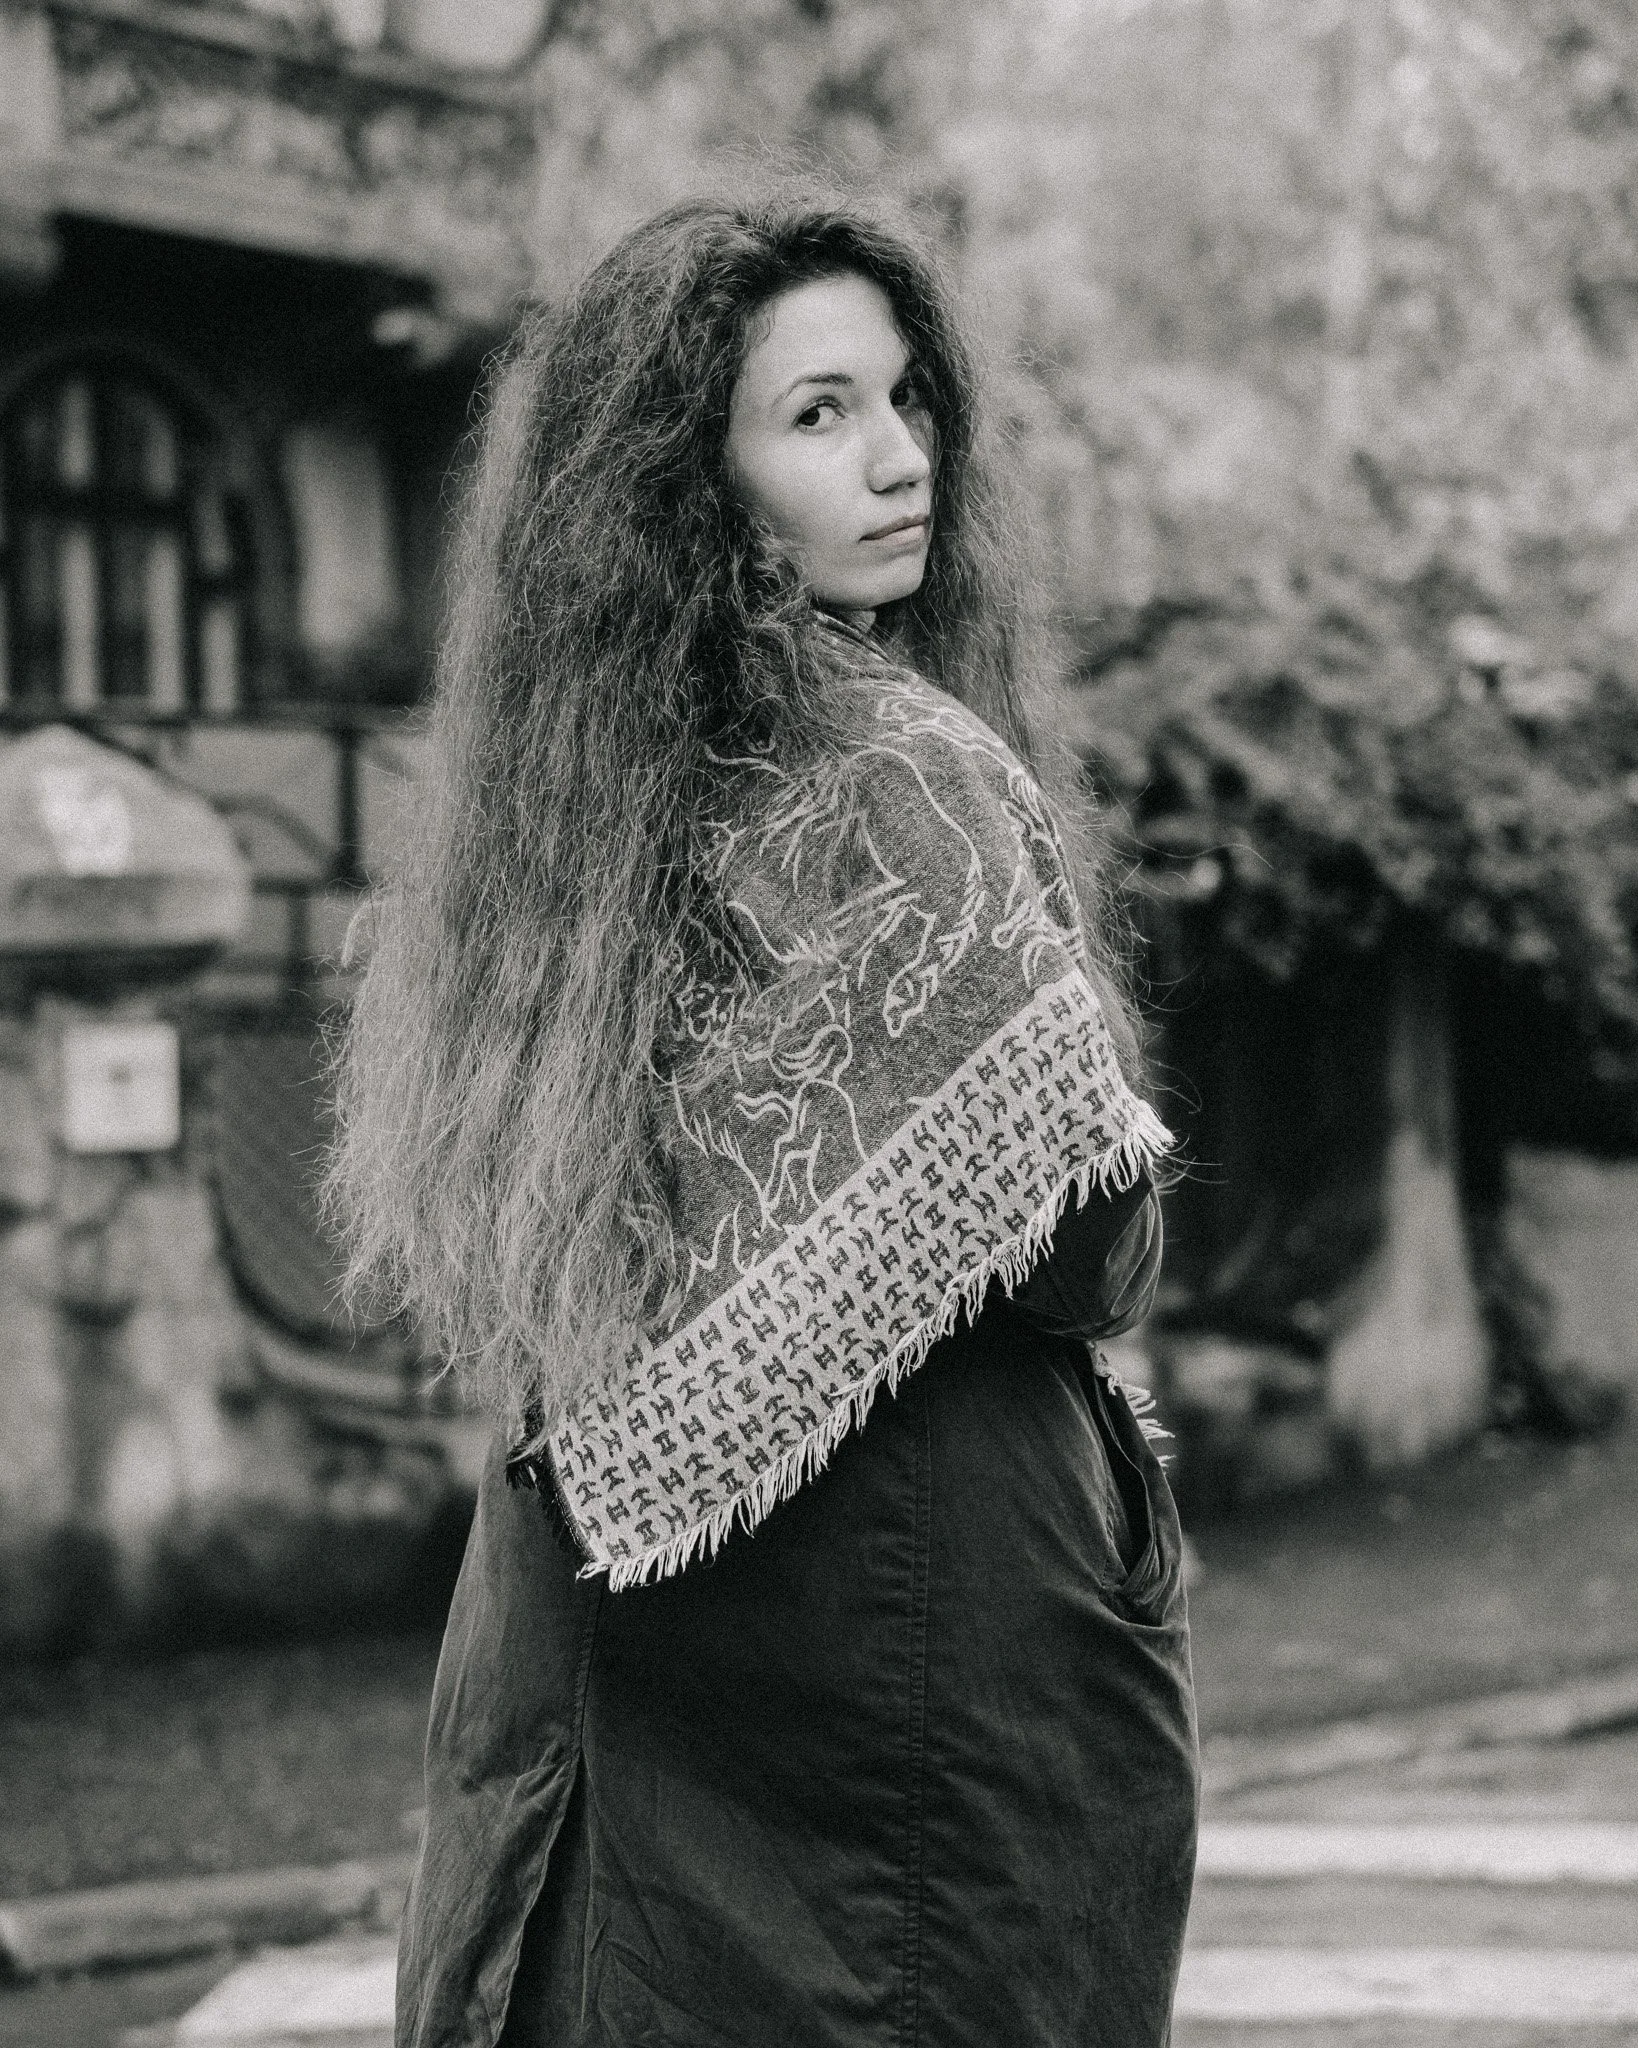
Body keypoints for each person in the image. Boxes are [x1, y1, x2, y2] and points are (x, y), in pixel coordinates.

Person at [327, 189, 1198, 2048]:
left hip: (595, 1590)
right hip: (915, 1606)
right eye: (816, 414)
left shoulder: (548, 812)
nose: (898, 460)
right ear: (686, 475)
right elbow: (1081, 1238)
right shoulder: (908, 770)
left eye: (903, 399)